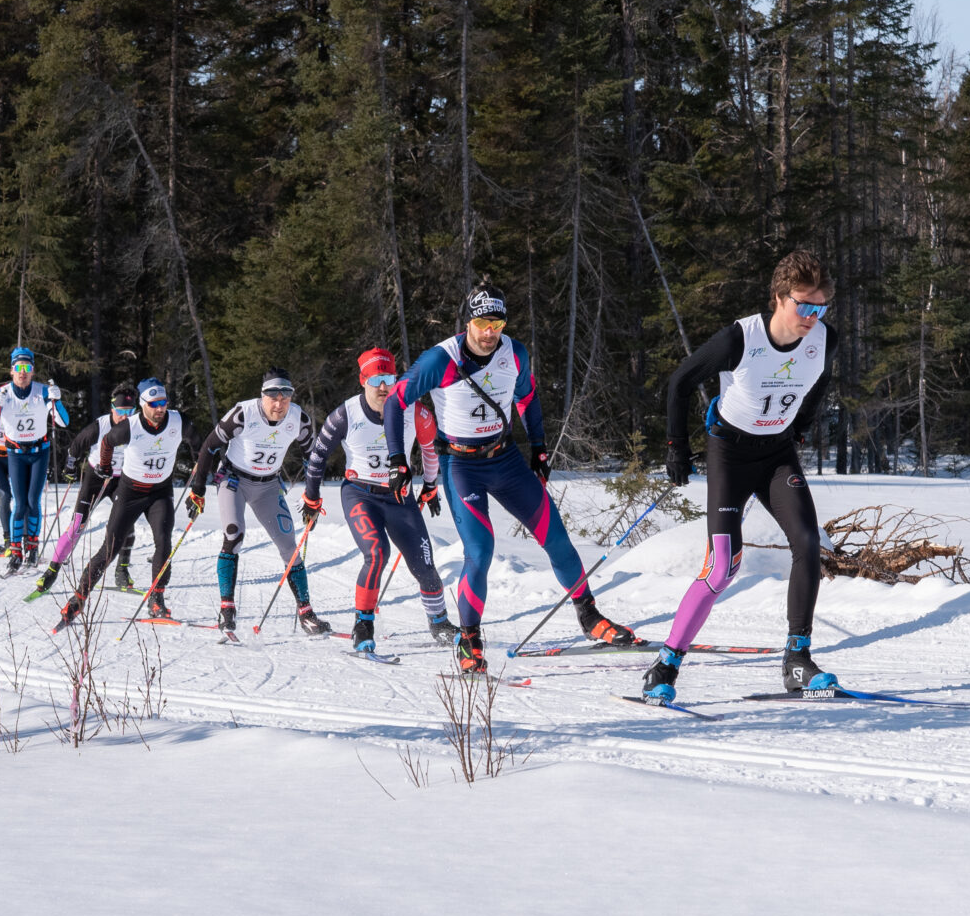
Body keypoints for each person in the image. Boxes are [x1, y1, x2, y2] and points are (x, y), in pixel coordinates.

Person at [386, 288, 637, 674]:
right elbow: (394, 401)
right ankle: (469, 639)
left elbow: (528, 397)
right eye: (483, 324)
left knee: (556, 538)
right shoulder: (441, 359)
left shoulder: (514, 352)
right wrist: (398, 460)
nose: (490, 333)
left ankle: (590, 617)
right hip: (460, 464)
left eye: (497, 324)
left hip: (505, 459)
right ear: (467, 322)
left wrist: (538, 448)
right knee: (481, 552)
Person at [643, 249, 838, 704]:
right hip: (730, 455)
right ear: (778, 298)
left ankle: (797, 660)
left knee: (809, 545)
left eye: (820, 306)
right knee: (722, 568)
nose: (811, 316)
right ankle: (666, 663)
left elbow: (821, 381)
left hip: (776, 454)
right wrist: (676, 448)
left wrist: (802, 423)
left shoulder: (826, 339)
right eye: (803, 305)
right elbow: (680, 382)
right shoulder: (741, 338)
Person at [304, 348, 453, 655]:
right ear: (363, 380)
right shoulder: (346, 414)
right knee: (376, 552)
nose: (384, 386)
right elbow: (318, 456)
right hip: (360, 493)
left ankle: (439, 623)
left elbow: (430, 448)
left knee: (424, 564)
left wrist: (429, 485)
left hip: (400, 497)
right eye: (376, 379)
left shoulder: (414, 410)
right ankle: (363, 624)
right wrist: (312, 496)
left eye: (389, 378)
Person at [188, 368, 330, 636]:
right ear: (262, 395)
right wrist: (198, 490)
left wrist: (312, 496)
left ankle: (306, 613)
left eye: (285, 398)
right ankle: (227, 610)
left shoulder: (299, 419)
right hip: (233, 481)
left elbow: (312, 459)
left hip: (268, 486)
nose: (279, 405)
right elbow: (209, 445)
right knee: (234, 535)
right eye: (272, 398)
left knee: (289, 545)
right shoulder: (244, 414)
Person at [53, 379, 186, 628]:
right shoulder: (130, 426)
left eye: (163, 403)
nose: (160, 409)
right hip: (130, 492)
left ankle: (157, 598)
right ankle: (78, 598)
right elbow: (106, 442)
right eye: (154, 404)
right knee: (110, 547)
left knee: (163, 539)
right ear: (144, 404)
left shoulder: (177, 421)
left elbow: (207, 443)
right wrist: (103, 466)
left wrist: (208, 473)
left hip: (160, 492)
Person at [33, 383, 138, 595]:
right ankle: (52, 571)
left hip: (122, 479)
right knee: (77, 525)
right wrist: (70, 467)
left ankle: (122, 571)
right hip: (96, 478)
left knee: (128, 524)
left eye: (130, 412)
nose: (125, 417)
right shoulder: (99, 427)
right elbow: (75, 447)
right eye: (121, 412)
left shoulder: (137, 426)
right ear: (112, 409)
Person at [0, 348, 66, 571]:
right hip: (16, 454)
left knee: (33, 501)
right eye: (18, 368)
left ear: (32, 371)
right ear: (11, 371)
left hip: (40, 452)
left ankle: (32, 547)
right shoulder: (1, 393)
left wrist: (56, 402)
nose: (23, 373)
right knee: (19, 503)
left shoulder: (42, 391)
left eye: (27, 368)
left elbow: (64, 422)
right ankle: (16, 551)